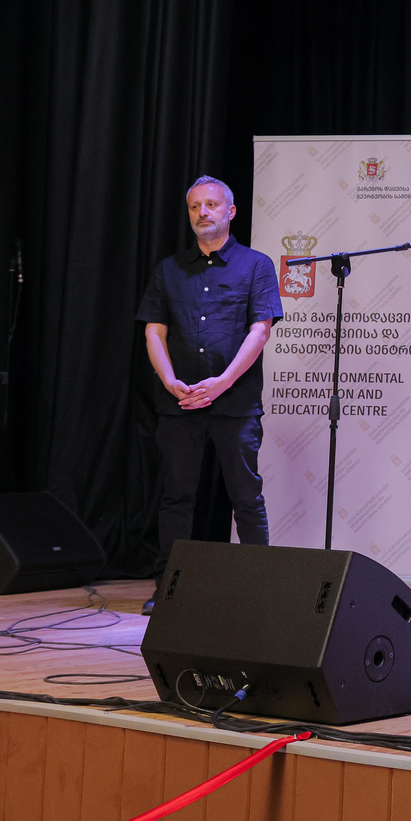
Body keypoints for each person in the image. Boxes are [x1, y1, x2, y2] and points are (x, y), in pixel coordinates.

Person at [136, 176, 283, 614]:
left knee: (245, 496)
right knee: (176, 497)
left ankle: (260, 590)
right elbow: (154, 331)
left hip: (235, 403)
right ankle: (169, 588)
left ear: (230, 211)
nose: (203, 212)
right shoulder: (169, 269)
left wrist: (222, 382)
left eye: (212, 205)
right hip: (180, 402)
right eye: (195, 206)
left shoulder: (256, 265)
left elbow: (260, 331)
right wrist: (168, 380)